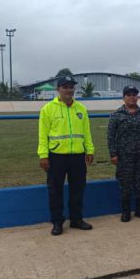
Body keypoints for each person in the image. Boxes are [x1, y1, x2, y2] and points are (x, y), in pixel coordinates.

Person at [37, 76, 95, 236]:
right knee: (55, 190)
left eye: (71, 87)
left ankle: (76, 219)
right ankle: (57, 221)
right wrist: (43, 155)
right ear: (58, 89)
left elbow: (86, 132)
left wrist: (89, 150)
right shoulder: (48, 109)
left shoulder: (81, 109)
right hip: (56, 156)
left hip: (77, 155)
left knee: (78, 189)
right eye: (65, 87)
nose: (69, 90)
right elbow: (43, 135)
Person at [107, 86, 140, 222]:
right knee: (125, 183)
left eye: (134, 95)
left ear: (137, 97)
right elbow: (111, 136)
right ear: (123, 97)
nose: (131, 97)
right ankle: (126, 212)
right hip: (125, 156)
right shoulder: (116, 115)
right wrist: (113, 154)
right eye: (128, 95)